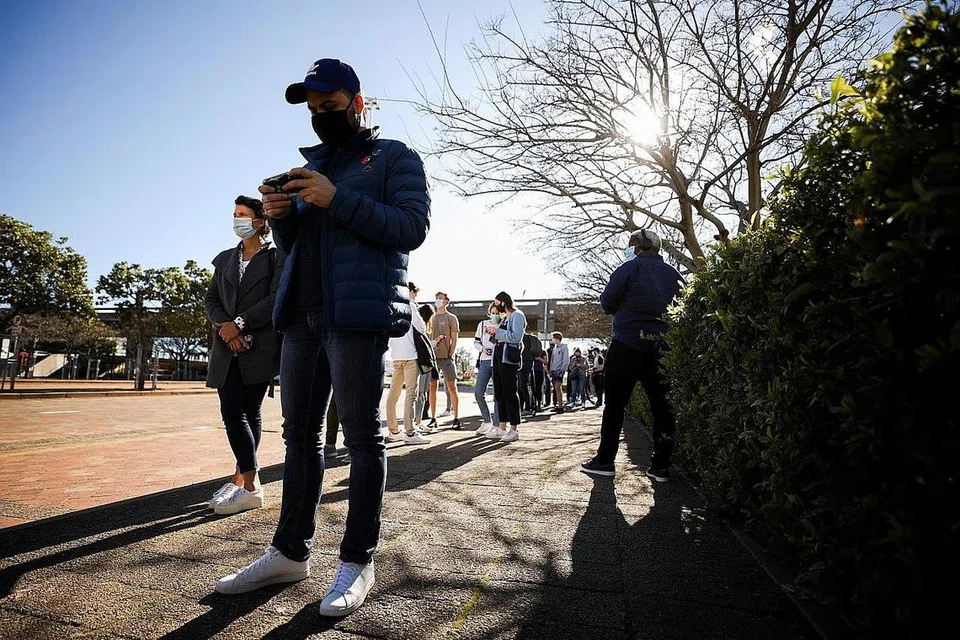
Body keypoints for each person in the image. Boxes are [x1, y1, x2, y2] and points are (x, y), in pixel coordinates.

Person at [215, 58, 430, 619]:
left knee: (362, 438)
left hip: (357, 316)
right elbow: (299, 247)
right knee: (299, 438)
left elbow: (411, 228)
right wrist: (282, 217)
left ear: (357, 102)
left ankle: (357, 559)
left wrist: (337, 197)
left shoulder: (394, 157)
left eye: (329, 106)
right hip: (302, 316)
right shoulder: (306, 168)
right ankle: (289, 551)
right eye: (312, 110)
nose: (320, 117)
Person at [580, 229, 684, 482]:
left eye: (630, 245)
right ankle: (661, 465)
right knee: (662, 407)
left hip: (626, 344)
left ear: (638, 247)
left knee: (614, 405)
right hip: (661, 348)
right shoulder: (674, 274)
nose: (629, 249)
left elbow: (607, 302)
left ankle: (605, 461)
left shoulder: (628, 269)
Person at [204, 195, 285, 516]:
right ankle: (244, 481)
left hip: (258, 345)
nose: (237, 219)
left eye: (243, 214)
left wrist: (241, 324)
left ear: (260, 221)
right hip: (227, 345)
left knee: (248, 411)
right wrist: (225, 326)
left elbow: (275, 298)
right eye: (234, 213)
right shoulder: (225, 259)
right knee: (234, 411)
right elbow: (211, 298)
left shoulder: (275, 258)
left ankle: (249, 486)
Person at [385, 283, 431, 445]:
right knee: (410, 394)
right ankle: (410, 433)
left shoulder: (390, 306)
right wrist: (415, 308)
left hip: (396, 356)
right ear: (410, 292)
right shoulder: (410, 306)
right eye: (415, 293)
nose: (415, 296)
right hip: (410, 356)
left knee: (393, 394)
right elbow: (422, 328)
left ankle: (394, 430)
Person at [485, 292, 527, 442]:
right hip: (498, 354)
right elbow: (501, 336)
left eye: (497, 303)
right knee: (499, 392)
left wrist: (497, 331)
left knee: (510, 392)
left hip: (508, 357)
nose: (495, 306)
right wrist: (493, 333)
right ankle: (502, 426)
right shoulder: (505, 319)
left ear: (503, 302)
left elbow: (516, 337)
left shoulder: (517, 315)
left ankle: (514, 428)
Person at [427, 292, 461, 429]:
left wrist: (450, 353)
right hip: (432, 358)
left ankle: (456, 418)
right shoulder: (430, 317)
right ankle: (433, 418)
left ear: (447, 301)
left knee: (452, 387)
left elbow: (454, 339)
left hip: (446, 358)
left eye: (440, 298)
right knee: (432, 387)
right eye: (437, 298)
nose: (438, 300)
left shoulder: (451, 318)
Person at [473, 303, 501, 435]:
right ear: (489, 312)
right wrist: (482, 349)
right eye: (493, 312)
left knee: (497, 395)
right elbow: (476, 342)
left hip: (498, 362)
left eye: (497, 313)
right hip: (484, 361)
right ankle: (486, 421)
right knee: (478, 392)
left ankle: (496, 424)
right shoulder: (482, 324)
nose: (495, 315)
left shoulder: (503, 325)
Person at [519, 329, 542, 417]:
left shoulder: (520, 337)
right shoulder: (529, 338)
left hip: (523, 362)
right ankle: (530, 407)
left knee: (522, 386)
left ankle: (527, 408)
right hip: (529, 362)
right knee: (528, 385)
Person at [548, 332, 571, 413]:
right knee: (556, 388)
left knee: (558, 387)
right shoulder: (555, 349)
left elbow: (566, 360)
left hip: (559, 370)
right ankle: (559, 405)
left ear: (557, 338)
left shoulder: (564, 348)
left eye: (553, 338)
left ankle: (561, 406)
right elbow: (552, 360)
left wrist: (562, 369)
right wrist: (551, 369)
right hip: (554, 370)